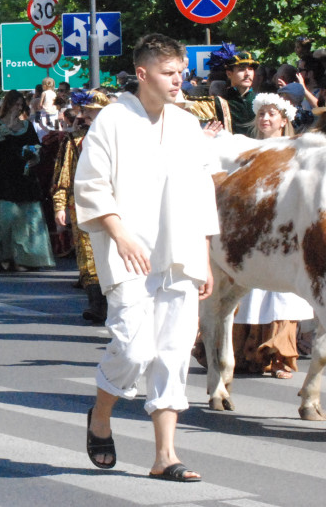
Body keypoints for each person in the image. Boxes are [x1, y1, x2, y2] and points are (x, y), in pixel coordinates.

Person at [75, 33, 219, 482]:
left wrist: (207, 254)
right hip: (129, 255)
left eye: (181, 72)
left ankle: (165, 457)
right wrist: (119, 234)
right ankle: (101, 415)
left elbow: (202, 193)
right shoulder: (112, 121)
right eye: (169, 73)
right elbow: (91, 185)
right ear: (143, 74)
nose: (179, 80)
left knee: (174, 352)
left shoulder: (187, 125)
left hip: (180, 252)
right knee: (135, 350)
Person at [228, 93, 313, 378]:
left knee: (284, 296)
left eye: (271, 114)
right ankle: (246, 352)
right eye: (261, 114)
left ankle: (280, 356)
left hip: (286, 230)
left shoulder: (297, 149)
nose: (265, 119)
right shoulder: (246, 148)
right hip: (255, 229)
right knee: (250, 292)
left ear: (284, 120)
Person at [0, 91, 55, 272]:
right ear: (8, 105)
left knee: (27, 218)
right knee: (4, 218)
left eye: (21, 105)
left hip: (24, 176)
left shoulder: (27, 125)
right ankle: (0, 257)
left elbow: (36, 145)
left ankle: (25, 258)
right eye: (15, 104)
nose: (19, 108)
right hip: (3, 176)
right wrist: (2, 130)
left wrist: (34, 154)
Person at [51, 90, 110, 322]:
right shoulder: (74, 140)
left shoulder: (122, 137)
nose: (90, 116)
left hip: (117, 203)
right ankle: (97, 304)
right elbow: (62, 176)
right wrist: (59, 206)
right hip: (83, 205)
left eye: (95, 112)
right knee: (88, 255)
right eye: (87, 111)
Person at [210, 44, 258, 134]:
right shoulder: (218, 103)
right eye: (241, 69)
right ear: (229, 74)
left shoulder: (261, 102)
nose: (247, 74)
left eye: (251, 69)